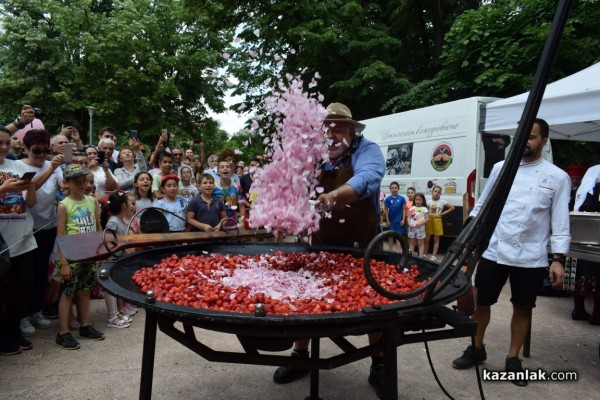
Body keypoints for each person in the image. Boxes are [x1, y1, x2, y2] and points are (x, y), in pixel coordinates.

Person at [273, 103, 386, 399]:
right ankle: (301, 356)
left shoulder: (367, 150)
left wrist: (333, 196)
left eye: (338, 126)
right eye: (326, 127)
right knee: (307, 300)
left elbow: (369, 177)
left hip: (361, 245)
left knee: (373, 305)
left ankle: (381, 363)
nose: (331, 133)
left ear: (352, 129)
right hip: (319, 244)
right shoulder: (313, 157)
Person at [452, 118, 570, 387]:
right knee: (482, 302)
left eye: (530, 137)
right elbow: (481, 205)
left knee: (523, 307)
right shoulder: (500, 169)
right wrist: (467, 238)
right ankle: (477, 347)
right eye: (520, 137)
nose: (524, 142)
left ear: (544, 141)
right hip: (495, 248)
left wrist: (558, 259)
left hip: (531, 255)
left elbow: (560, 222)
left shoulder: (557, 177)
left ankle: (513, 358)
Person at [17, 129, 64, 336]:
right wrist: (51, 168)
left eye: (46, 150)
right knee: (25, 276)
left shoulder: (54, 166)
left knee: (41, 273)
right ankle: (22, 315)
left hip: (49, 226)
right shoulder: (18, 166)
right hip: (26, 229)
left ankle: (36, 310)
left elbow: (63, 187)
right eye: (37, 151)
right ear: (26, 149)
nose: (42, 155)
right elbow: (30, 187)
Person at [55, 164, 105, 350]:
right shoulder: (64, 205)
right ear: (66, 183)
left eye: (84, 180)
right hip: (72, 256)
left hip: (89, 254)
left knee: (85, 291)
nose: (82, 184)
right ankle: (63, 332)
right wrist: (64, 263)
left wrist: (100, 251)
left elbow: (97, 227)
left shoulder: (92, 201)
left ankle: (85, 325)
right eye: (77, 181)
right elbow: (60, 235)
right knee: (68, 292)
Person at [0, 125, 38, 355]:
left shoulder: (18, 165)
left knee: (23, 288)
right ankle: (3, 337)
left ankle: (14, 331)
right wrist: (3, 188)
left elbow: (30, 203)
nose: (4, 147)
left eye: (6, 142)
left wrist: (30, 185)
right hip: (2, 243)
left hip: (23, 237)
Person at [100, 191, 136, 328]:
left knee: (115, 287)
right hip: (111, 260)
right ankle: (112, 316)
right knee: (109, 289)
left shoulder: (119, 220)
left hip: (118, 259)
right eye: (129, 202)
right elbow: (108, 240)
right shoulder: (113, 222)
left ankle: (116, 313)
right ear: (124, 205)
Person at [571, 164, 600, 325]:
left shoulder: (583, 191)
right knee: (596, 276)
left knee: (581, 275)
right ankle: (596, 313)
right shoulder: (595, 191)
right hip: (595, 238)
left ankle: (579, 310)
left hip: (580, 236)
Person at [424, 185, 455, 260]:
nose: (436, 193)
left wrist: (442, 214)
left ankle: (433, 256)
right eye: (435, 191)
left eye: (438, 192)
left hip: (437, 220)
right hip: (429, 220)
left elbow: (452, 207)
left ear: (440, 194)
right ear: (432, 192)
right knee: (427, 239)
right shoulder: (428, 202)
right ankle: (425, 254)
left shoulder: (442, 201)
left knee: (436, 239)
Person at [384, 181, 406, 253]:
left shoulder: (402, 198)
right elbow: (386, 210)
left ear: (398, 188)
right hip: (391, 222)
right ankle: (390, 250)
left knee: (398, 236)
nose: (394, 189)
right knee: (390, 236)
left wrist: (403, 219)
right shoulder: (387, 199)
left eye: (395, 188)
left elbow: (404, 209)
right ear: (390, 189)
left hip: (399, 221)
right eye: (392, 188)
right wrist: (387, 221)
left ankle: (398, 251)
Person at [406, 193, 429, 257]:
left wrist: (420, 223)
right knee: (412, 242)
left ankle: (420, 256)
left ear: (423, 201)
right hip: (412, 228)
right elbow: (408, 217)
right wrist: (409, 223)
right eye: (416, 199)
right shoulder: (412, 208)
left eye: (420, 200)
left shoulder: (424, 209)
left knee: (421, 243)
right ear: (414, 200)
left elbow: (427, 218)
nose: (418, 201)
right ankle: (411, 255)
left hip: (420, 229)